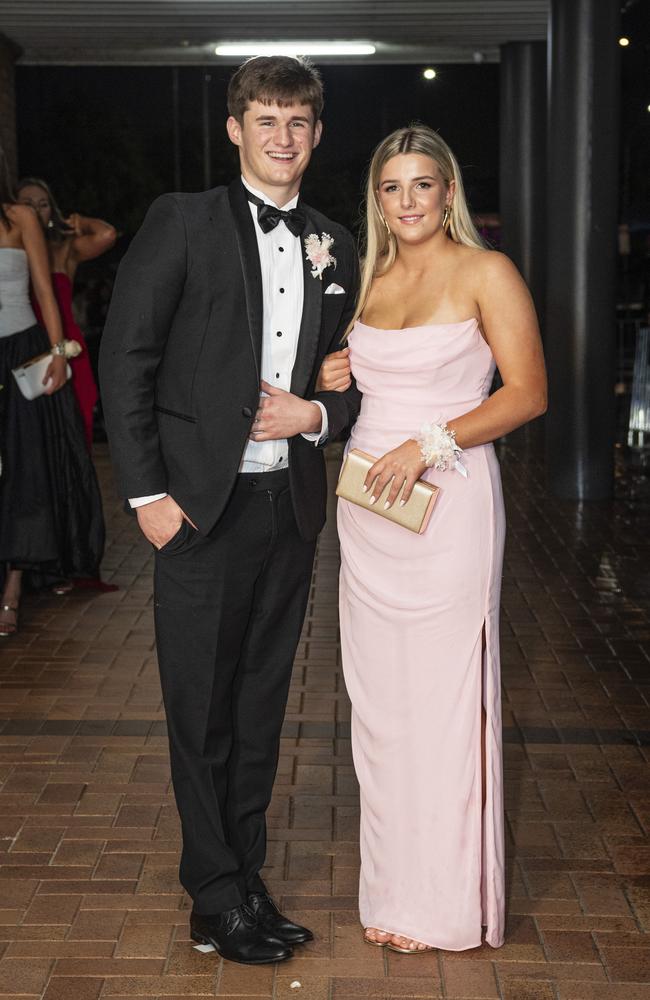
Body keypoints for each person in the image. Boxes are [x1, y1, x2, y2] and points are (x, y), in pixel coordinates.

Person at [99, 56, 361, 965]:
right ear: (235, 129)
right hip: (198, 515)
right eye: (266, 120)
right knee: (200, 710)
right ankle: (213, 897)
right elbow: (124, 357)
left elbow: (353, 380)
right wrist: (148, 497)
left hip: (285, 509)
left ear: (316, 135)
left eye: (298, 123)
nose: (282, 138)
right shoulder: (184, 222)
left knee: (259, 706)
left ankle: (244, 880)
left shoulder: (335, 242)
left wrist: (321, 414)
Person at [317, 125, 546, 953]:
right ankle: (393, 888)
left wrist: (431, 444)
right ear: (377, 199)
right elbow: (351, 380)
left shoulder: (487, 272)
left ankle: (445, 904)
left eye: (422, 184)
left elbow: (526, 394)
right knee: (381, 707)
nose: (407, 201)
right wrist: (332, 371)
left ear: (448, 191)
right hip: (370, 517)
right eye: (391, 187)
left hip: (448, 505)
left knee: (445, 701)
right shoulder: (367, 277)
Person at [0, 146, 104, 636]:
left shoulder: (19, 217)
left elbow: (45, 290)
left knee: (26, 466)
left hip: (22, 351)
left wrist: (60, 352)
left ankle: (14, 587)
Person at [16, 177, 117, 449]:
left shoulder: (63, 250)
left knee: (72, 432)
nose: (36, 210)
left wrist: (79, 222)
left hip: (65, 346)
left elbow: (106, 235)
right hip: (22, 344)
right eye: (27, 204)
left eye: (43, 204)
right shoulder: (10, 252)